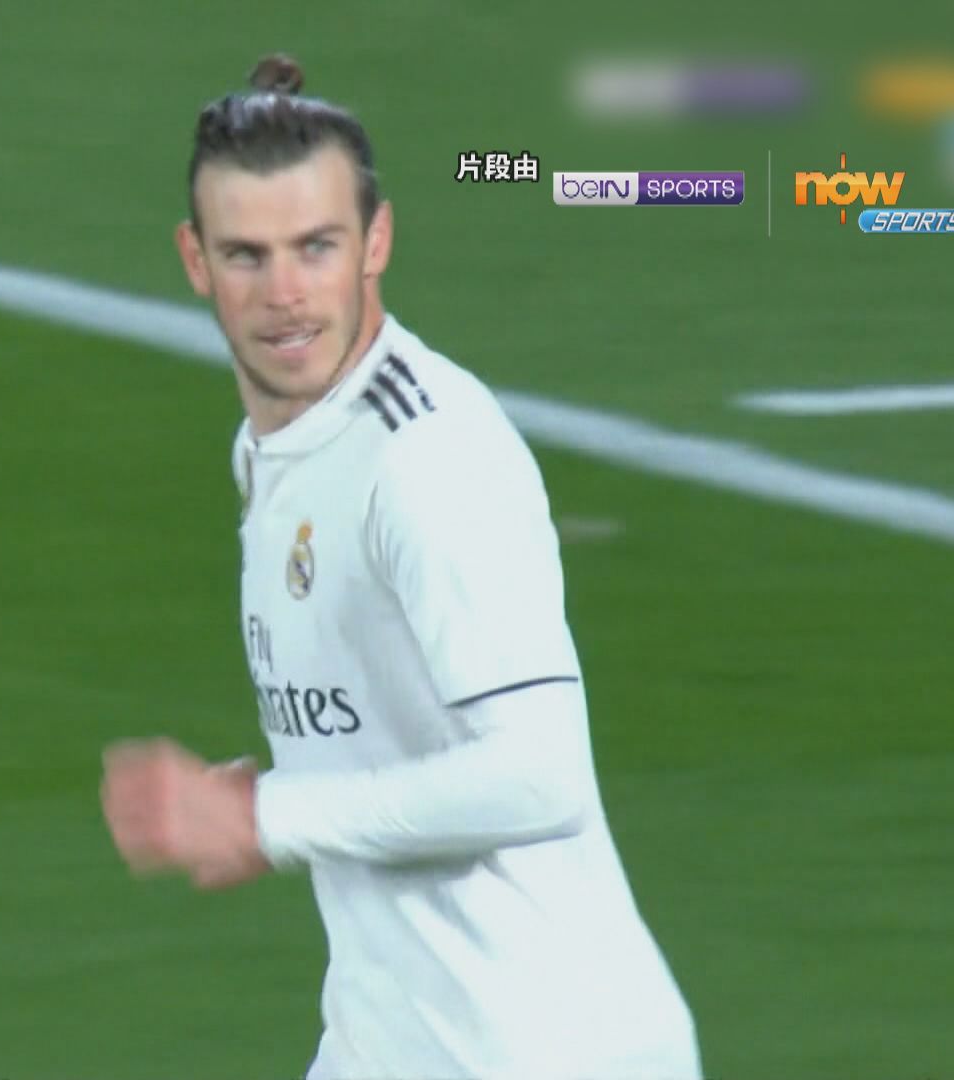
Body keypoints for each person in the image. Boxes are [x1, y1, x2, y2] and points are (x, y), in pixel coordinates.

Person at [100, 53, 702, 1080]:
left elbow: (540, 777)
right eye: (246, 255)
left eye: (316, 247)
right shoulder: (282, 450)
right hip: (395, 1042)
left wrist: (265, 818)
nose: (284, 295)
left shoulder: (427, 458)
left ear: (376, 241)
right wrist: (272, 793)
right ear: (194, 260)